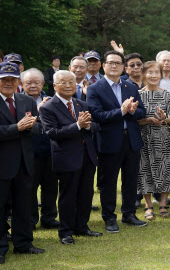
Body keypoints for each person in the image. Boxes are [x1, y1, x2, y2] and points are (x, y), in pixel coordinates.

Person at [86, 51, 147, 233]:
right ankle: (109, 217)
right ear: (104, 66)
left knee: (130, 180)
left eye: (118, 63)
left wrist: (133, 111)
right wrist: (121, 111)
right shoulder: (94, 88)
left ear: (123, 67)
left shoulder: (130, 86)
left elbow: (141, 112)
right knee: (109, 182)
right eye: (110, 63)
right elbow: (96, 116)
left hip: (131, 140)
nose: (114, 66)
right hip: (109, 141)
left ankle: (129, 214)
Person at [39, 70, 103, 244]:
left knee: (86, 193)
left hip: (87, 156)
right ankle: (66, 231)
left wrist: (88, 126)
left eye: (71, 82)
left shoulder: (81, 104)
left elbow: (94, 125)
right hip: (66, 157)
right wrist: (77, 125)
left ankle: (82, 226)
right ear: (54, 85)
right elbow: (53, 133)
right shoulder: (47, 107)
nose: (68, 86)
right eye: (63, 82)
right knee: (68, 195)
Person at [0, 62, 44, 261]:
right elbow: (13, 129)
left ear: (18, 81)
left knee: (24, 205)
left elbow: (37, 128)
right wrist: (16, 128)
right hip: (2, 164)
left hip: (24, 163)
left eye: (12, 79)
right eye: (4, 80)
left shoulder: (26, 101)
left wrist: (28, 126)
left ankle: (23, 244)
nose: (8, 83)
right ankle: (1, 248)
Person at [136, 61, 170, 220]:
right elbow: (134, 120)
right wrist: (148, 120)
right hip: (144, 138)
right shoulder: (138, 95)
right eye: (150, 72)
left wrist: (164, 117)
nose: (153, 76)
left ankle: (162, 204)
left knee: (165, 170)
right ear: (144, 74)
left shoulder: (168, 95)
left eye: (156, 72)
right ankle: (148, 206)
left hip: (163, 137)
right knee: (145, 171)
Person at [21, 69, 58, 229]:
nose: (33, 86)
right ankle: (30, 220)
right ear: (22, 84)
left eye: (37, 82)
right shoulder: (18, 101)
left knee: (50, 186)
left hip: (50, 151)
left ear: (43, 83)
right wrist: (39, 111)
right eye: (29, 83)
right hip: (29, 153)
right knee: (30, 188)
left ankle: (49, 218)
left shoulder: (51, 99)